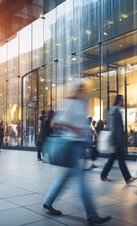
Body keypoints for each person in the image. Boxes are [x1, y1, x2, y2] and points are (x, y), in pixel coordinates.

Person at [43, 81, 111, 224]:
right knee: (80, 181)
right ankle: (91, 214)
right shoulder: (69, 102)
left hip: (79, 144)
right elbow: (56, 122)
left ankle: (48, 201)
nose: (84, 90)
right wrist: (74, 128)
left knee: (65, 176)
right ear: (77, 89)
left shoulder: (82, 103)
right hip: (71, 144)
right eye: (82, 88)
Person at [100, 95, 137, 184]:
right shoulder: (115, 110)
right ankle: (127, 178)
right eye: (122, 101)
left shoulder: (115, 110)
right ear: (119, 101)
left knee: (112, 158)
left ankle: (103, 175)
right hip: (115, 140)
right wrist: (114, 140)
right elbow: (113, 126)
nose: (123, 103)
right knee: (120, 159)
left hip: (116, 140)